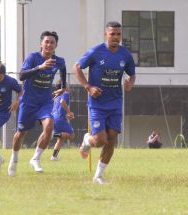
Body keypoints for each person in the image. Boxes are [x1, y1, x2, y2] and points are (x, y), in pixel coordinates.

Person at [73, 21, 136, 184]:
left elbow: (131, 74)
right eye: (112, 34)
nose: (115, 37)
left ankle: (98, 175)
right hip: (97, 104)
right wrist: (88, 87)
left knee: (112, 139)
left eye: (118, 34)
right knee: (100, 140)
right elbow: (77, 67)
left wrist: (130, 83)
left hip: (115, 102)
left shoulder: (125, 55)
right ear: (106, 35)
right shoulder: (95, 52)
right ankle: (87, 140)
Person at [7, 31, 66, 176]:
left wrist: (63, 87)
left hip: (45, 101)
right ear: (41, 44)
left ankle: (36, 158)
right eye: (46, 42)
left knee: (49, 126)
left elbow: (63, 70)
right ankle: (14, 159)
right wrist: (40, 67)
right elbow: (21, 75)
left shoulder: (59, 60)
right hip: (28, 102)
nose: (49, 45)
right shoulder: (33, 58)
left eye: (52, 42)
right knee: (21, 134)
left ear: (56, 45)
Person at [50, 81, 75, 161]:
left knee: (61, 139)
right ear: (63, 86)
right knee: (71, 136)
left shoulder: (56, 96)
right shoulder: (65, 93)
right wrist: (68, 112)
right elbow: (62, 102)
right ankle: (53, 134)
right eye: (67, 84)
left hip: (54, 118)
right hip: (59, 119)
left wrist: (67, 114)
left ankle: (54, 157)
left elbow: (57, 108)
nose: (68, 85)